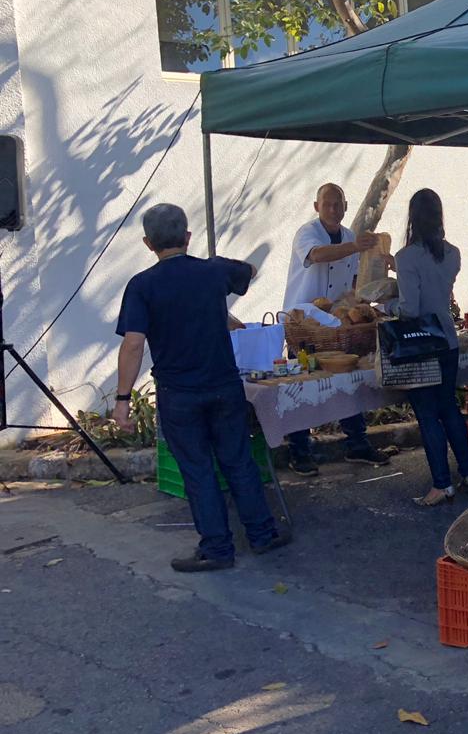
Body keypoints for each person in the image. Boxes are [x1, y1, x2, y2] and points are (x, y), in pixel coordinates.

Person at [113, 204, 287, 572]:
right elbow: (250, 271)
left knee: (197, 469)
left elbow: (133, 344)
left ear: (148, 243)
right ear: (188, 237)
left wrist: (123, 400)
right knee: (238, 460)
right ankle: (263, 534)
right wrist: (221, 271)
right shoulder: (213, 272)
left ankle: (217, 549)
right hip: (224, 386)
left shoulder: (142, 285)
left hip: (180, 394)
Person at [281, 183, 391, 475]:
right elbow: (317, 256)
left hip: (339, 324)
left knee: (348, 381)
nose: (332, 209)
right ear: (316, 207)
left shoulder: (351, 236)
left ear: (345, 206)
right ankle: (299, 450)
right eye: (327, 204)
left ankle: (357, 444)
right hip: (305, 323)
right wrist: (355, 247)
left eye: (338, 204)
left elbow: (355, 279)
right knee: (302, 385)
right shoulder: (307, 233)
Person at [395, 189, 468, 506]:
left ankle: (441, 484)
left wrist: (390, 301)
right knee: (449, 408)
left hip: (421, 346)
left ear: (412, 217)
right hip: (448, 341)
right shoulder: (452, 253)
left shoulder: (406, 257)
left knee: (427, 414)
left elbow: (410, 309)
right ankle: (467, 472)